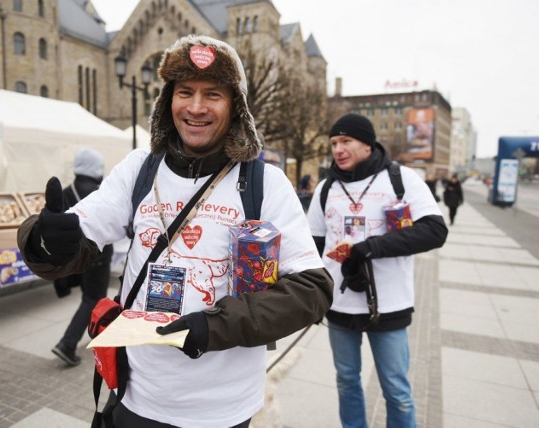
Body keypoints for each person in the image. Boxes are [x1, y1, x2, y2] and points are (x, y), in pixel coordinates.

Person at [17, 34, 333, 428]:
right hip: (138, 394)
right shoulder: (140, 167)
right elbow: (81, 230)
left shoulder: (264, 182)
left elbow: (312, 290)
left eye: (213, 94)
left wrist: (215, 324)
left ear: (236, 108)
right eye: (185, 92)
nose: (196, 107)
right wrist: (46, 239)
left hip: (223, 407)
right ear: (168, 101)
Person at [307, 113, 448, 428]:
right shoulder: (326, 188)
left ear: (367, 144)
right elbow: (312, 246)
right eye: (333, 143)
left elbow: (434, 231)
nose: (338, 149)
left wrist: (372, 247)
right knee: (346, 380)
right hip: (339, 305)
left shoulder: (401, 179)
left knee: (396, 390)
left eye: (346, 141)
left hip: (389, 305)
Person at [51, 148, 113, 366]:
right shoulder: (99, 191)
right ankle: (67, 344)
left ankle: (97, 332)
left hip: (76, 255)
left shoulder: (68, 191)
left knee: (90, 296)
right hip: (97, 255)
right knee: (93, 298)